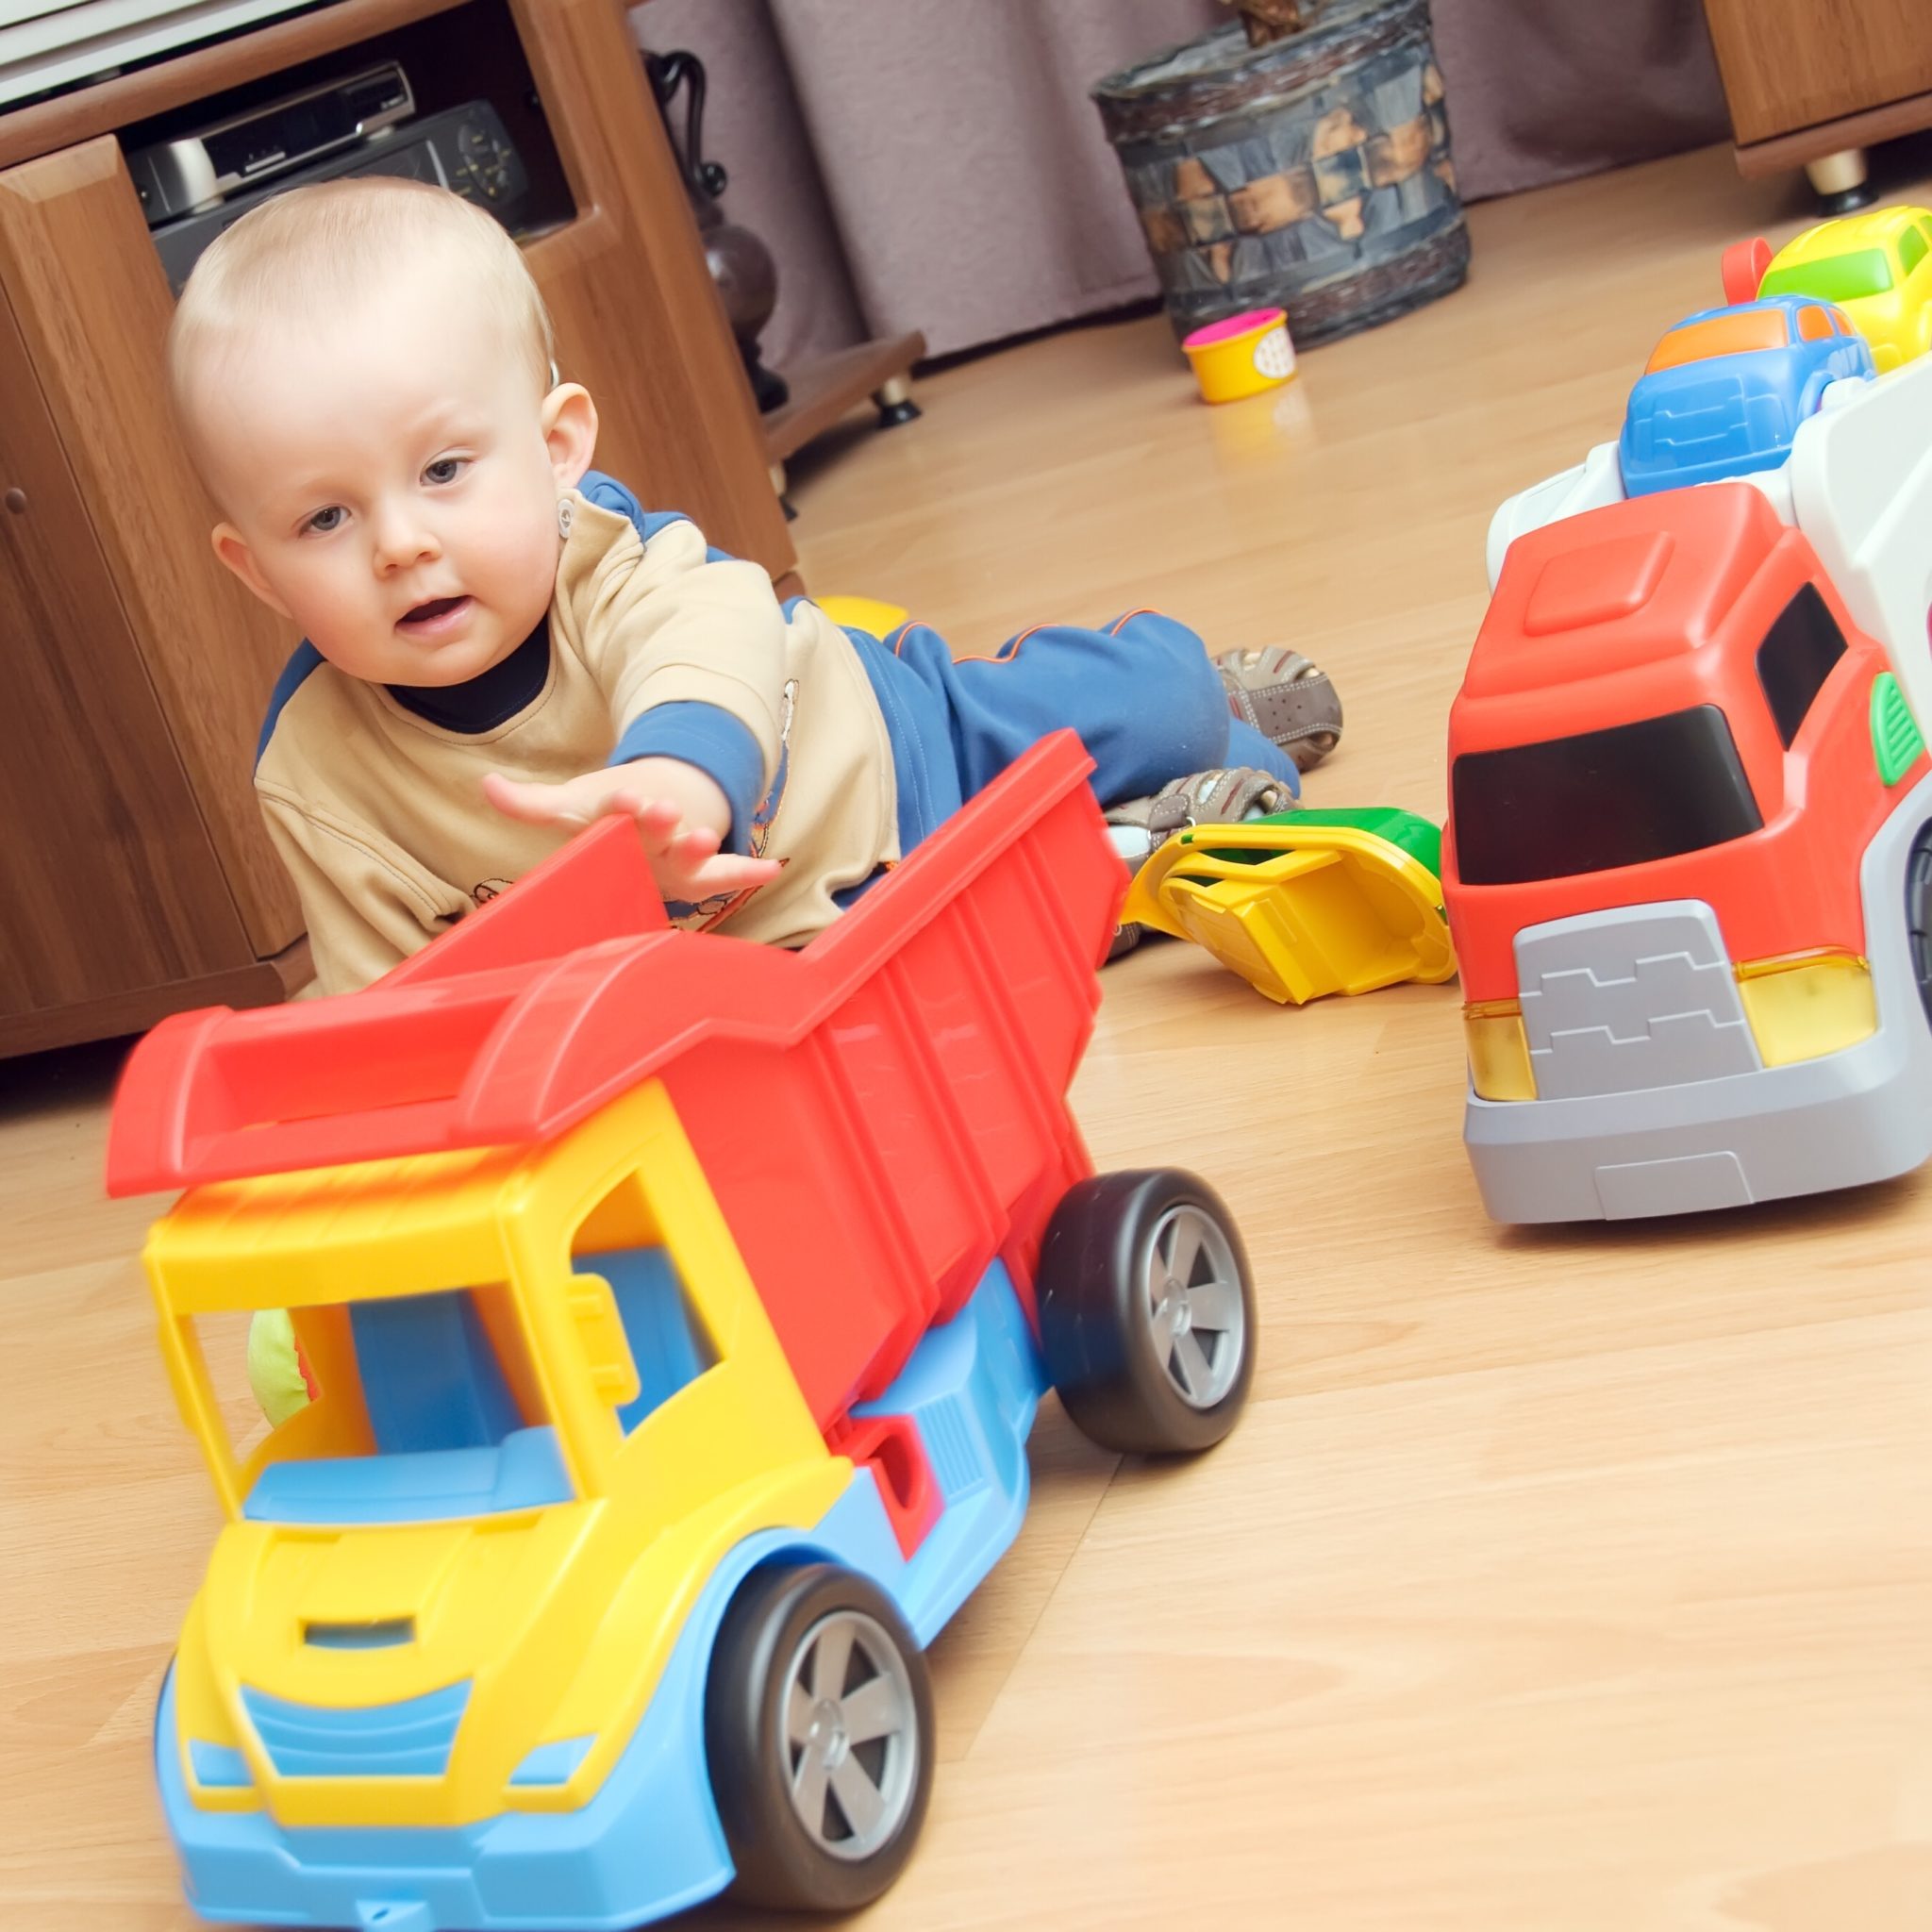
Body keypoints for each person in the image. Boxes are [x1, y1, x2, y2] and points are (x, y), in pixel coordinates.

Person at [167, 177, 1342, 995]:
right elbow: (389, 1009)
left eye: (442, 470)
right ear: (255, 570)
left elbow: (709, 637)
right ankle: (1144, 843)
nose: (398, 544)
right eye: (324, 517)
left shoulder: (610, 560)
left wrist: (676, 775)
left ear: (558, 447)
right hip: (786, 951)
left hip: (890, 741)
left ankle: (1207, 702)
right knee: (965, 974)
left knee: (1157, 708)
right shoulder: (315, 773)